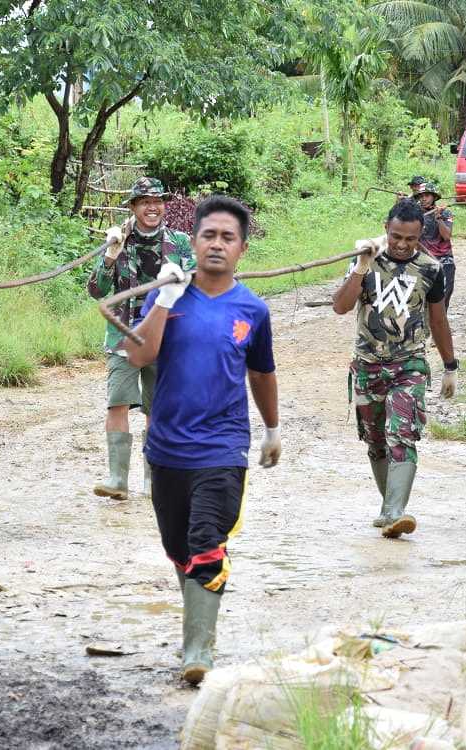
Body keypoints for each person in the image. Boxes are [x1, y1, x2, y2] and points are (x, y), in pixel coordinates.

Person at [123, 195, 281, 685]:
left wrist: (272, 428)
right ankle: (196, 624)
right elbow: (137, 358)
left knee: (207, 539)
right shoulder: (165, 295)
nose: (217, 244)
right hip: (166, 447)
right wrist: (163, 301)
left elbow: (261, 372)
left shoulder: (252, 309)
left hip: (223, 447)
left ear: (242, 249)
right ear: (192, 242)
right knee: (178, 546)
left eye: (227, 237)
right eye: (208, 235)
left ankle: (198, 650)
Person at [332, 199, 457, 539]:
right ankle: (389, 508)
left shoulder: (432, 269)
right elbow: (341, 307)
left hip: (409, 365)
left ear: (421, 236)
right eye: (397, 237)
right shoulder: (367, 260)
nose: (402, 245)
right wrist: (360, 265)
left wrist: (450, 366)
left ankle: (394, 511)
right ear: (387, 229)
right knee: (375, 440)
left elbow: (438, 319)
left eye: (411, 239)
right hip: (367, 365)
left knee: (402, 433)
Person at [87, 177, 194, 499]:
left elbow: (198, 284)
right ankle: (117, 479)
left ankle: (152, 481)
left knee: (156, 409)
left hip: (164, 338)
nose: (153, 207)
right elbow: (96, 291)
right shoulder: (118, 240)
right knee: (117, 403)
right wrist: (110, 254)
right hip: (122, 339)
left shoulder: (180, 242)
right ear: (133, 207)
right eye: (145, 202)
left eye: (158, 201)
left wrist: (183, 277)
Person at [416, 182, 455, 310]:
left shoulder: (445, 213)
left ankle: (440, 324)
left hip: (444, 259)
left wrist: (438, 218)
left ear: (434, 197)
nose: (423, 198)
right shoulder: (415, 214)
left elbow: (446, 236)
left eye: (427, 195)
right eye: (421, 196)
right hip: (422, 259)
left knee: (444, 294)